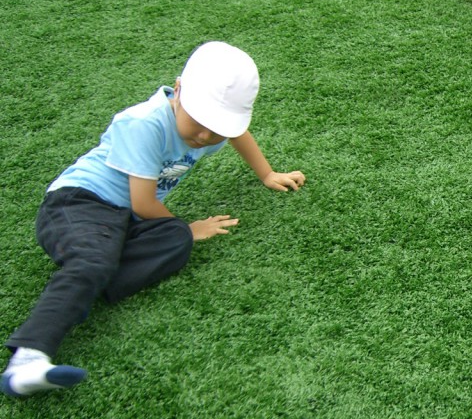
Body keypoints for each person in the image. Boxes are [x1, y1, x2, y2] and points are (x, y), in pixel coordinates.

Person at [2, 41, 306, 398]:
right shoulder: (144, 124)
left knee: (174, 242)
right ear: (177, 90)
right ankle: (27, 360)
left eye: (217, 127)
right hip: (78, 204)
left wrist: (267, 174)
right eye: (201, 121)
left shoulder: (214, 128)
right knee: (138, 246)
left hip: (124, 217)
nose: (206, 136)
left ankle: (96, 277)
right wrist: (185, 228)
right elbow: (144, 203)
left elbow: (238, 134)